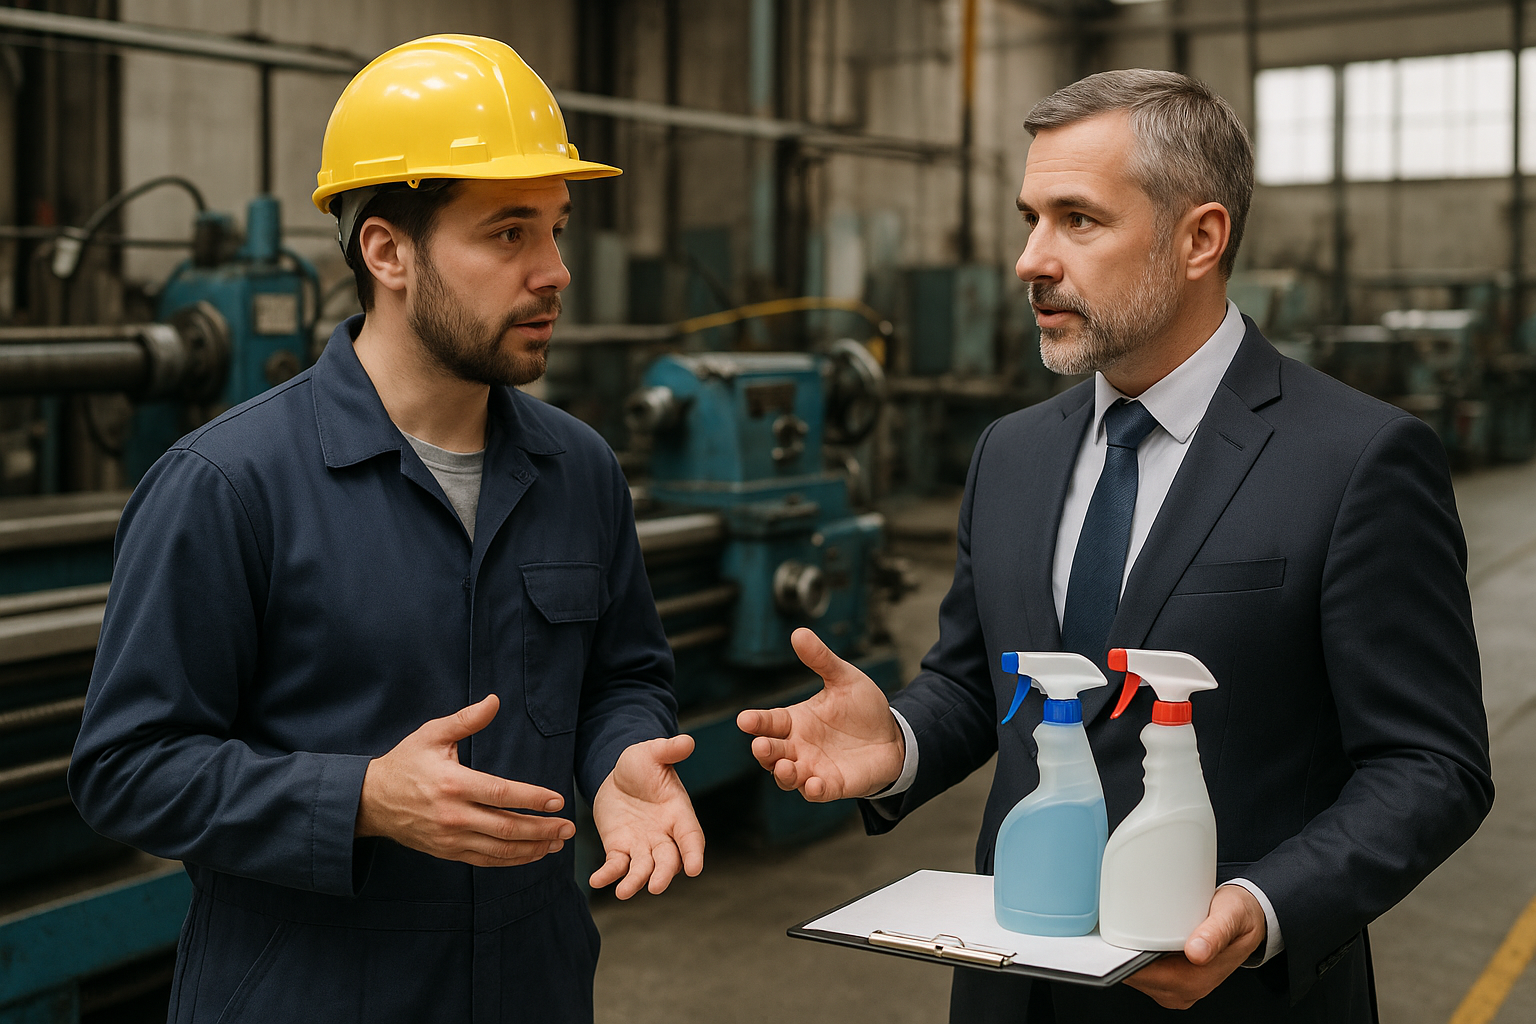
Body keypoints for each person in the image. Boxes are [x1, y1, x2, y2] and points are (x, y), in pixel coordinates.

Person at [738, 69, 1492, 1023]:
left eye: (1077, 220)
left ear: (1199, 240)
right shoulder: (1012, 453)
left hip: (1230, 996)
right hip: (1012, 991)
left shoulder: (1355, 460)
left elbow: (1432, 765)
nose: (1030, 260)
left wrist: (1261, 913)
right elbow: (983, 680)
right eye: (1030, 218)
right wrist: (900, 739)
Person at [68, 35, 703, 1024]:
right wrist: (361, 798)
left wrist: (619, 758)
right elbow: (126, 768)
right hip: (304, 995)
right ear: (387, 251)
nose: (555, 271)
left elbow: (623, 676)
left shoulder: (579, 470)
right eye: (508, 234)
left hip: (530, 988)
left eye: (556, 228)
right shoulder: (228, 485)